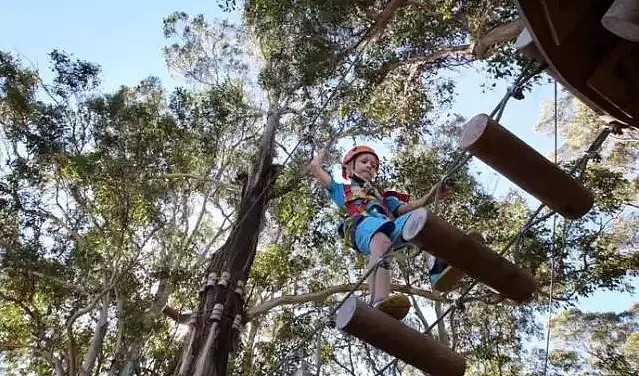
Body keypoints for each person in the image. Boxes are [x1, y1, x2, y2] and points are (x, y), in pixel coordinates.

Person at [310, 144, 456, 320]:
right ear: (349, 169)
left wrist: (432, 196)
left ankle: (438, 269)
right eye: (364, 162)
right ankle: (379, 300)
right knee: (381, 242)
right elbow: (315, 168)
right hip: (360, 227)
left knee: (421, 219)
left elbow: (407, 208)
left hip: (387, 227)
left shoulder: (384, 198)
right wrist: (324, 150)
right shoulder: (341, 189)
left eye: (373, 165)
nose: (370, 166)